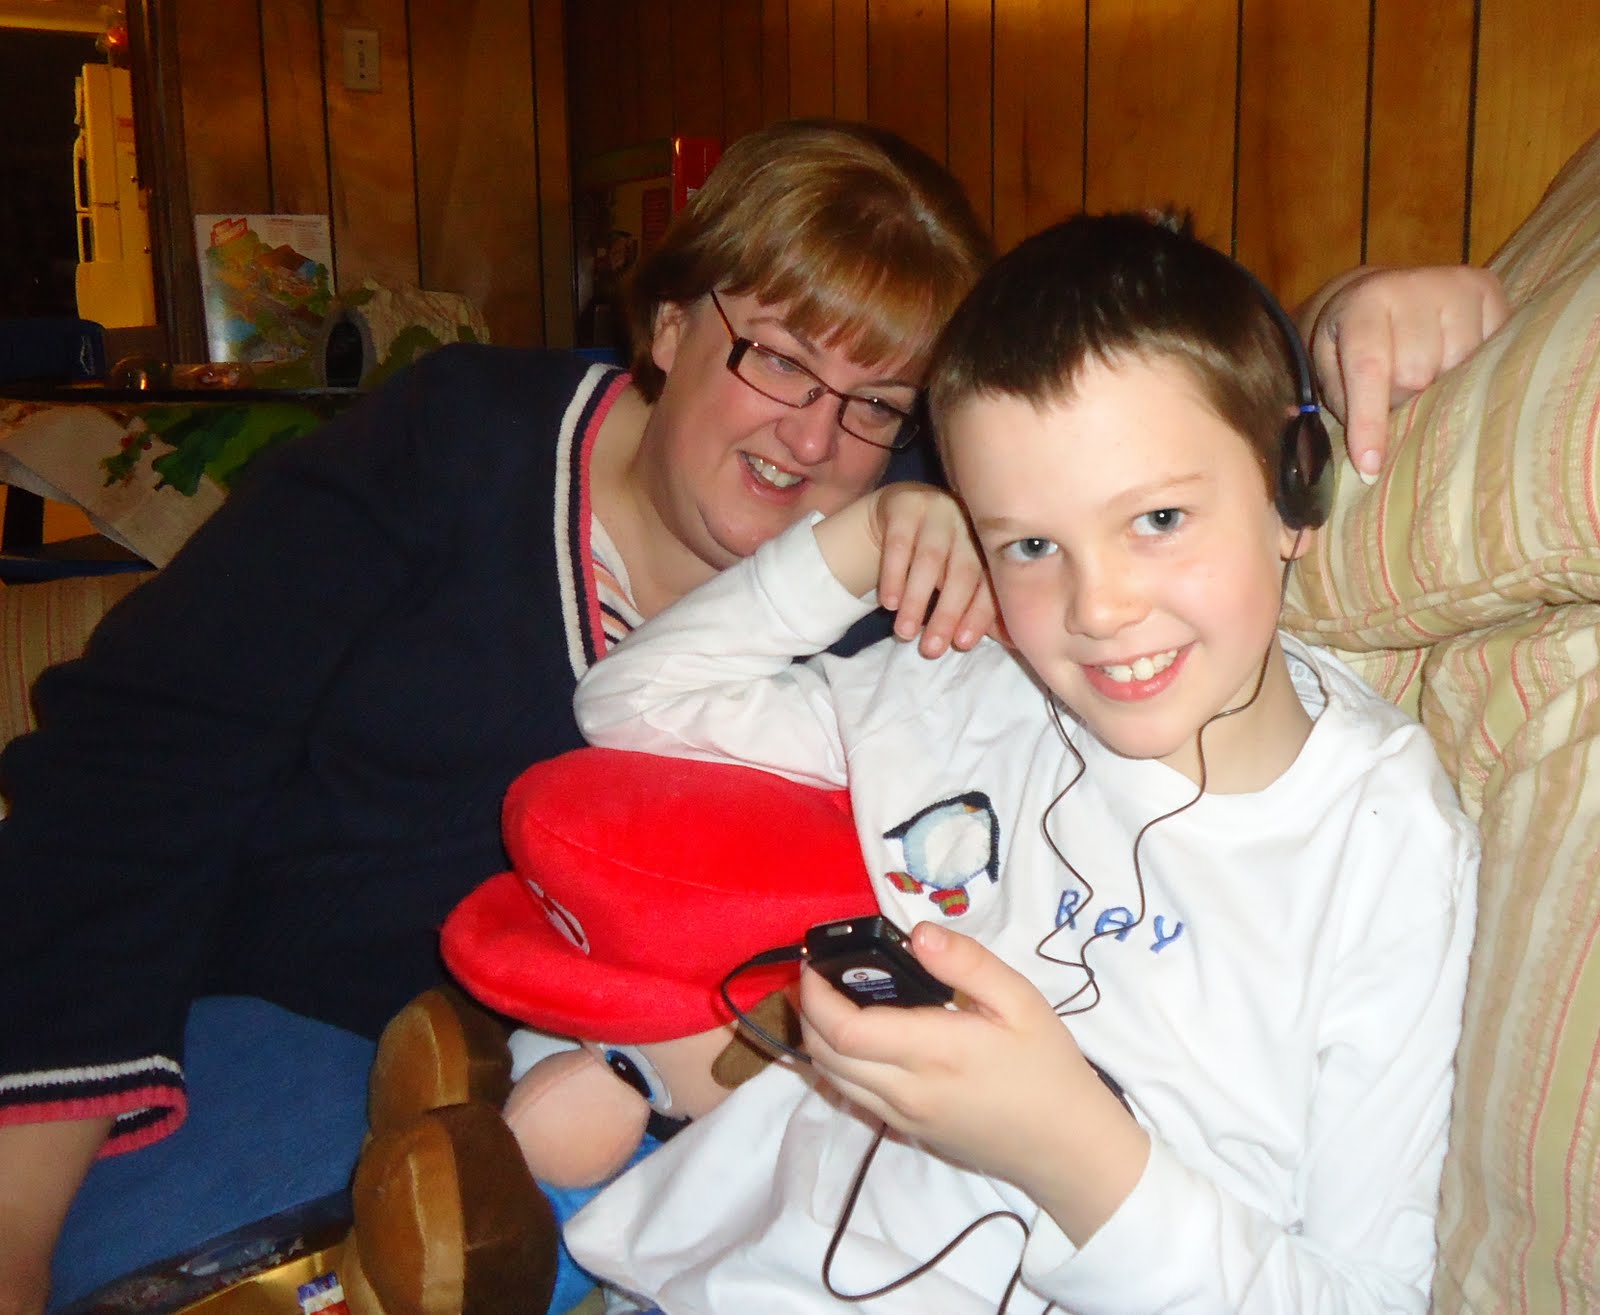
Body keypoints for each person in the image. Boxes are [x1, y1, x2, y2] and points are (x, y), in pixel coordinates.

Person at [0, 108, 1499, 1311]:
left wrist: (1354, 314)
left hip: (667, 1126)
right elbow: (137, 770)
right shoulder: (456, 441)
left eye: (876, 401)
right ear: (666, 323)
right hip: (295, 1018)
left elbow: (1148, 411)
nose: (810, 431)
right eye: (777, 355)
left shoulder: (964, 604)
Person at [566, 211, 1481, 1314]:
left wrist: (1066, 1147)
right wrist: (860, 543)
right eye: (1031, 545)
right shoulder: (974, 692)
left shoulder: (1383, 842)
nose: (1098, 608)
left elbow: (1372, 1296)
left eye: (1158, 517)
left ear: (1295, 494)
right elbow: (631, 706)